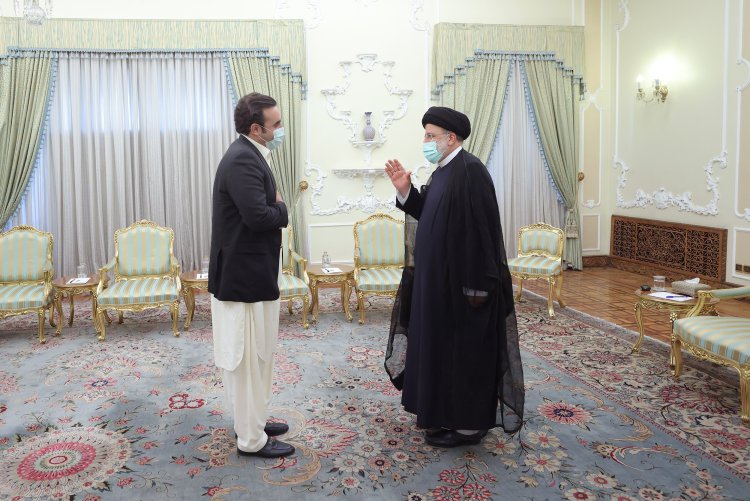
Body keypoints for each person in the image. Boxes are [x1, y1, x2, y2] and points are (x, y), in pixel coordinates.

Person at [384, 106, 524, 448]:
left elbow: (485, 233)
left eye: (430, 135)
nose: (426, 141)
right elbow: (428, 214)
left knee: (465, 356)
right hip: (437, 285)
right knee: (440, 352)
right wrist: (405, 191)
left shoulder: (471, 170)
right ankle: (442, 415)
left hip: (465, 288)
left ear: (451, 138)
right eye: (425, 135)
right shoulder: (442, 172)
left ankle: (469, 427)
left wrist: (479, 287)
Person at [208, 92, 294, 458]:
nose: (281, 129)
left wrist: (275, 204)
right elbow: (259, 217)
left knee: (259, 357)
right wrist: (283, 208)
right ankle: (251, 440)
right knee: (245, 360)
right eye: (276, 124)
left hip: (251, 273)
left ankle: (253, 421)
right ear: (257, 128)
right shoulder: (243, 159)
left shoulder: (250, 153)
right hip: (242, 279)